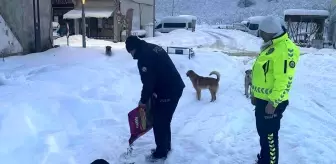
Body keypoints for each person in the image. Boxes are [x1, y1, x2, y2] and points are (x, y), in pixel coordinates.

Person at [125, 36, 185, 161]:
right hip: (173, 86)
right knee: (163, 120)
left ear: (134, 48)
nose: (131, 55)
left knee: (160, 121)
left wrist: (143, 101)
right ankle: (165, 147)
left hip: (169, 90)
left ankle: (161, 153)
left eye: (131, 52)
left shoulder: (144, 58)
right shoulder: (151, 47)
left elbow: (148, 83)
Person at [250, 16, 300, 164]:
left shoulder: (284, 49)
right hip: (262, 100)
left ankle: (270, 161)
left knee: (270, 136)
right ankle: (264, 159)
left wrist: (273, 102)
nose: (261, 35)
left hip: (272, 102)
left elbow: (284, 80)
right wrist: (255, 94)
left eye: (262, 32)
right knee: (263, 134)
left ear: (270, 32)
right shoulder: (272, 46)